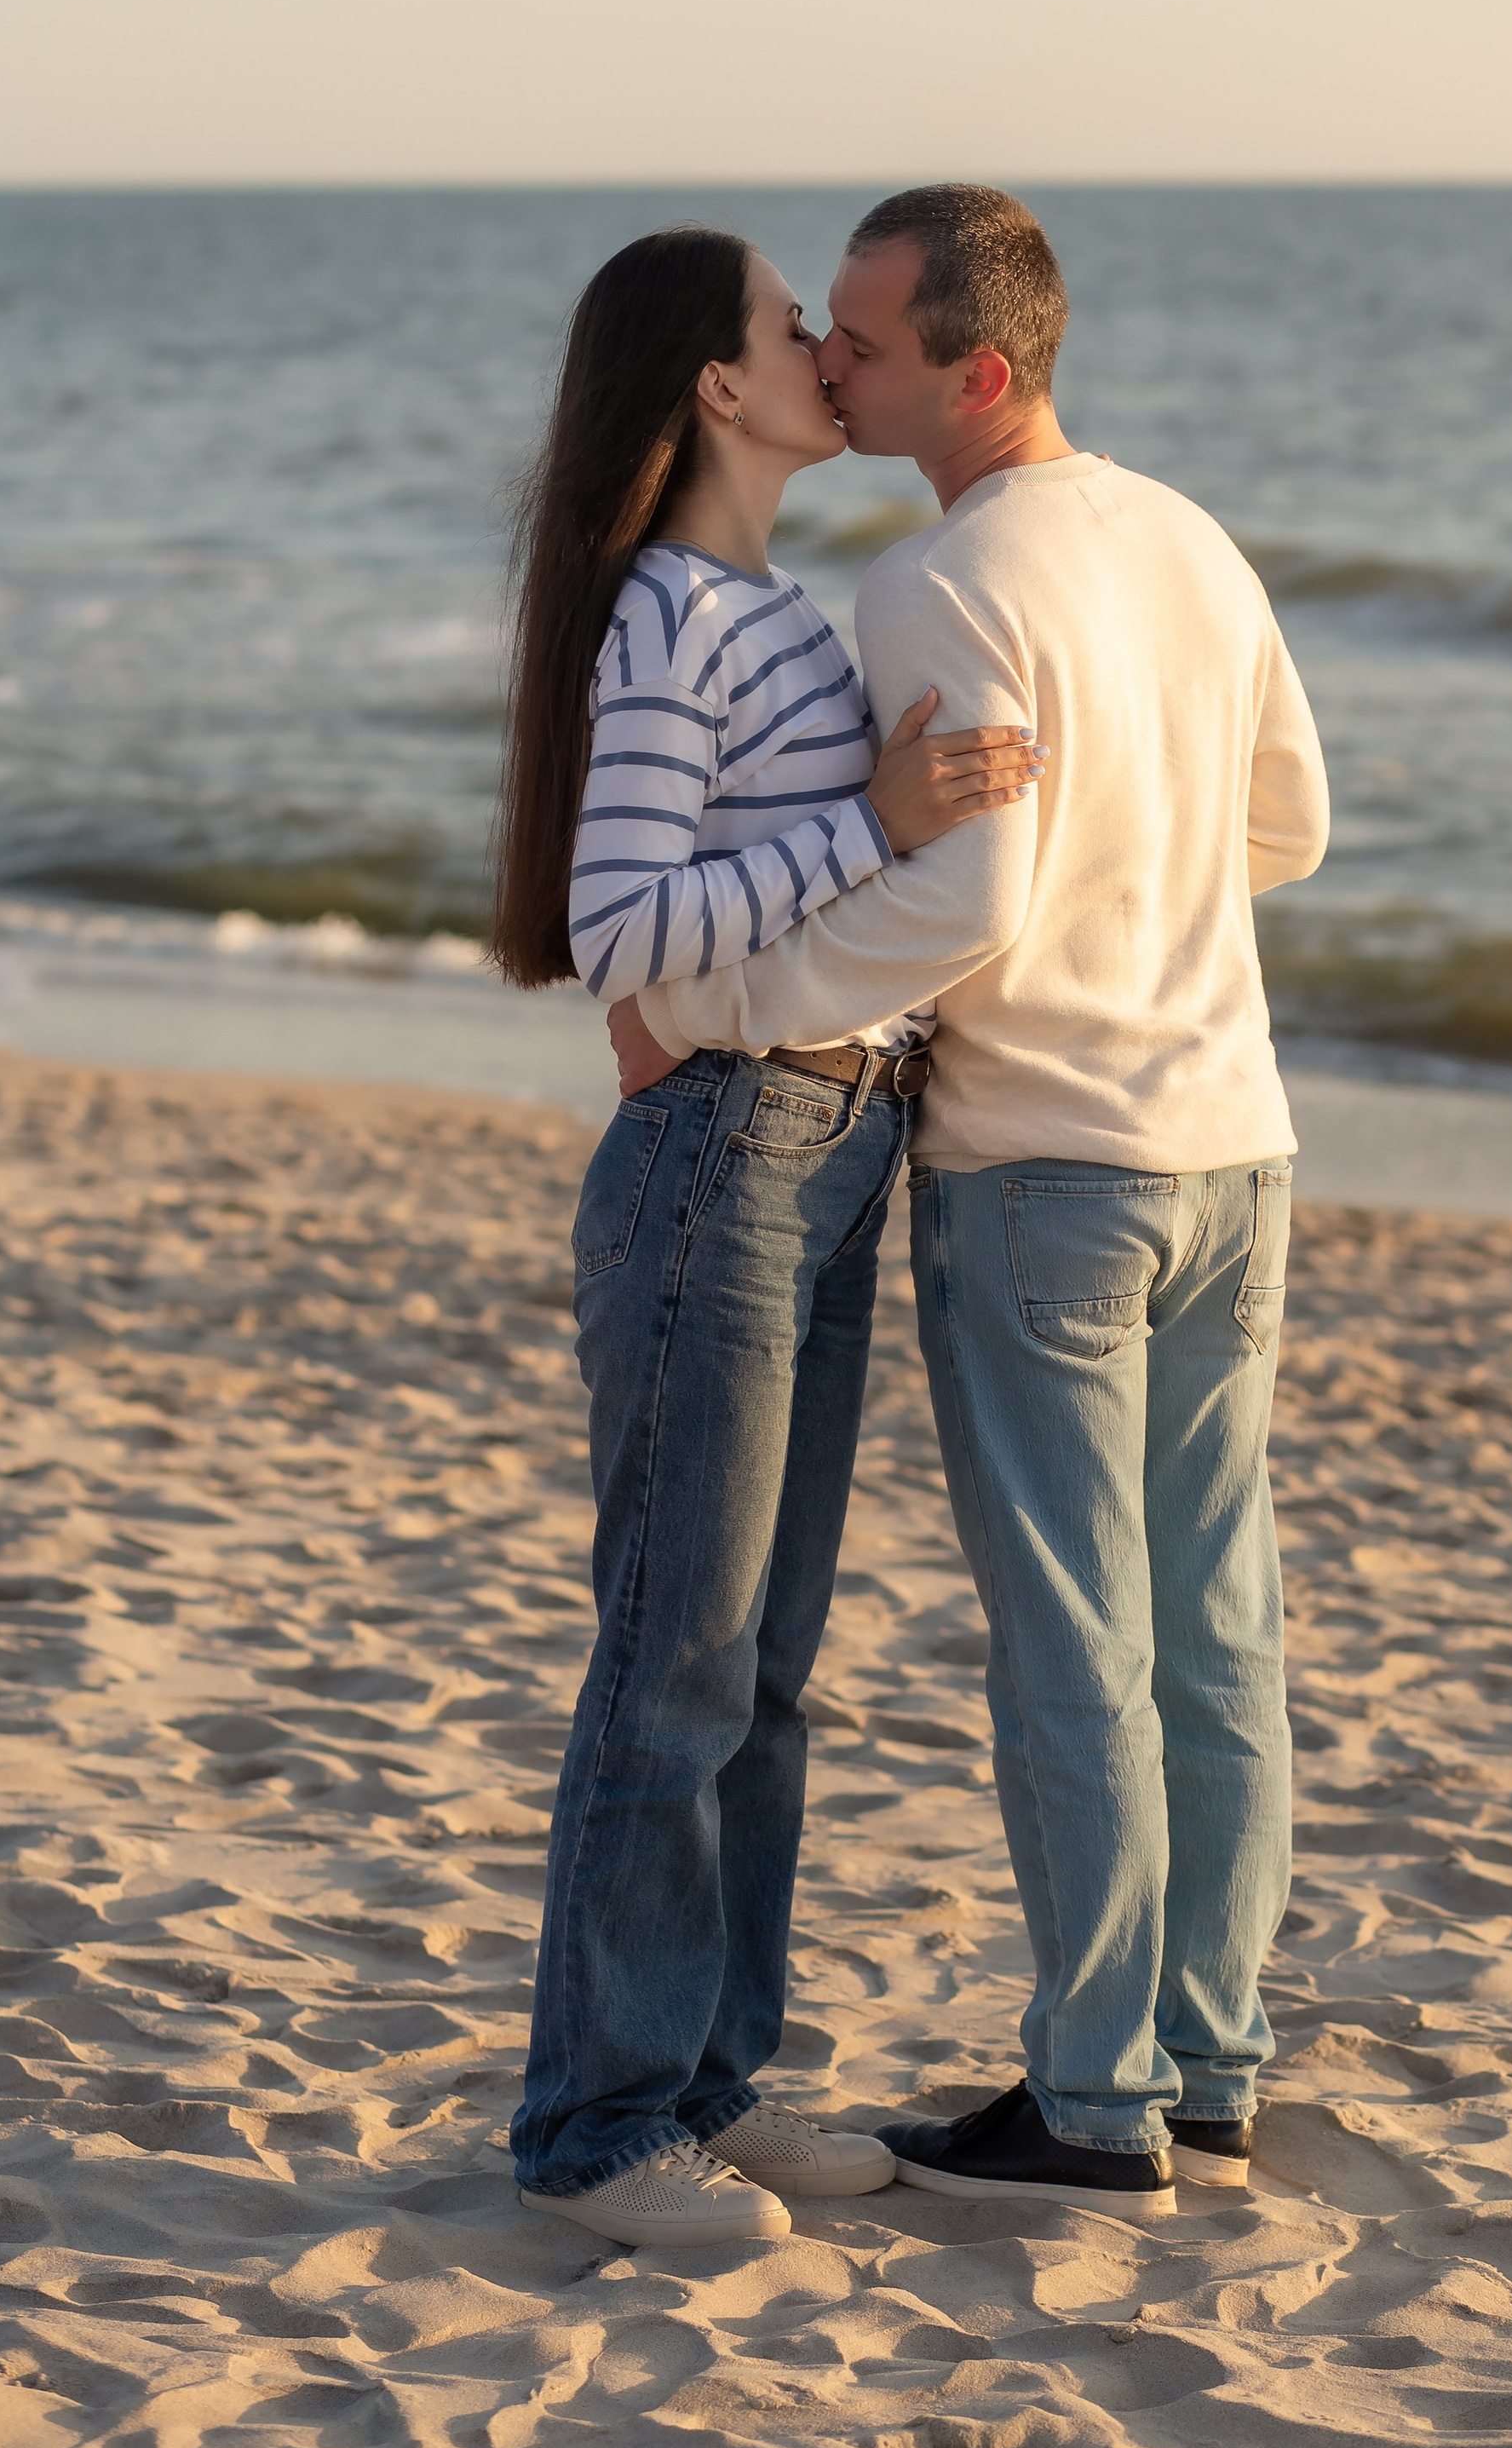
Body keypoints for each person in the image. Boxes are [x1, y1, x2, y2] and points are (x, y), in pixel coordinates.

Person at [612, 186, 1330, 2225]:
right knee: (1217, 1626)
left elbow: (961, 909)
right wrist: (1141, 885)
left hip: (1046, 1168)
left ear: (975, 371)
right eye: (819, 334)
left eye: (859, 340)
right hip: (1234, 1143)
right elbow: (1286, 824)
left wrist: (711, 997)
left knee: (1070, 1644)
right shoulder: (1189, 538)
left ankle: (1095, 2104)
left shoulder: (935, 581)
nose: (829, 367)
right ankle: (1210, 2069)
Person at [492, 224, 1045, 2246]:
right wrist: (878, 832)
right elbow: (626, 936)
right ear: (716, 389)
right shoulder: (671, 618)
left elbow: (727, 927)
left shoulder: (763, 608)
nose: (823, 345)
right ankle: (597, 2132)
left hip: (825, 1143)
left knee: (767, 1670)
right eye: (779, 325)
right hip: (725, 1151)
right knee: (677, 1662)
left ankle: (712, 2088)